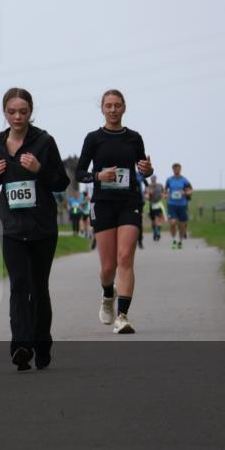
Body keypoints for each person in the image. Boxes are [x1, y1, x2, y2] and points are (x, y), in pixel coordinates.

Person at [0, 88, 70, 371]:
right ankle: (21, 346)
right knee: (19, 286)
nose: (18, 116)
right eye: (12, 112)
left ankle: (42, 343)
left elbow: (61, 182)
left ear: (31, 111)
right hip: (10, 226)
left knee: (38, 287)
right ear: (5, 112)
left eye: (23, 111)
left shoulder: (44, 141)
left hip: (42, 226)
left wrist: (39, 169)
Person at [74, 89, 153, 335]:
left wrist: (147, 169)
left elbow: (143, 170)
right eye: (108, 105)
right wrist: (97, 176)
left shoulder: (134, 138)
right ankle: (108, 293)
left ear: (124, 108)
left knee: (125, 257)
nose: (113, 110)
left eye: (117, 105)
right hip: (103, 203)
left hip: (129, 201)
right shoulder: (93, 138)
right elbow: (79, 173)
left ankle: (123, 316)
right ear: (102, 109)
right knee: (108, 267)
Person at [164, 163, 193, 249]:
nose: (176, 170)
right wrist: (165, 195)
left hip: (182, 205)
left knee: (182, 224)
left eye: (178, 168)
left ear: (180, 169)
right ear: (172, 170)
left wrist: (185, 192)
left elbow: (191, 190)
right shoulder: (169, 180)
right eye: (175, 168)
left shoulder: (184, 180)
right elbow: (165, 191)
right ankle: (174, 240)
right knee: (172, 223)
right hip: (172, 204)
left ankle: (180, 240)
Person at [145, 175, 165, 241]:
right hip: (151, 205)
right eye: (152, 178)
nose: (153, 179)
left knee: (158, 219)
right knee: (153, 221)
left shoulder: (160, 185)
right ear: (151, 179)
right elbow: (146, 194)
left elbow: (164, 192)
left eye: (154, 178)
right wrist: (147, 195)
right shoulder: (148, 186)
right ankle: (155, 232)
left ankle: (158, 233)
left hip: (158, 204)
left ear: (156, 179)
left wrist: (164, 195)